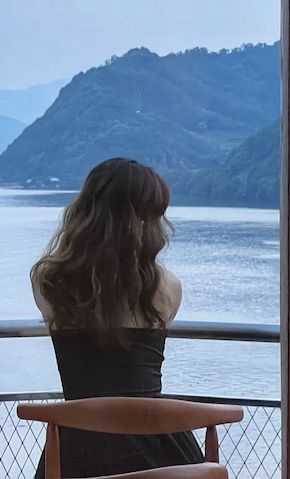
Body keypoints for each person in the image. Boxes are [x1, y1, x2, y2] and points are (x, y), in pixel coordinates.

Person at [29, 157, 204, 478]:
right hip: (159, 447)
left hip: (78, 447)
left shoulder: (48, 280)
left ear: (86, 210)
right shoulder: (168, 286)